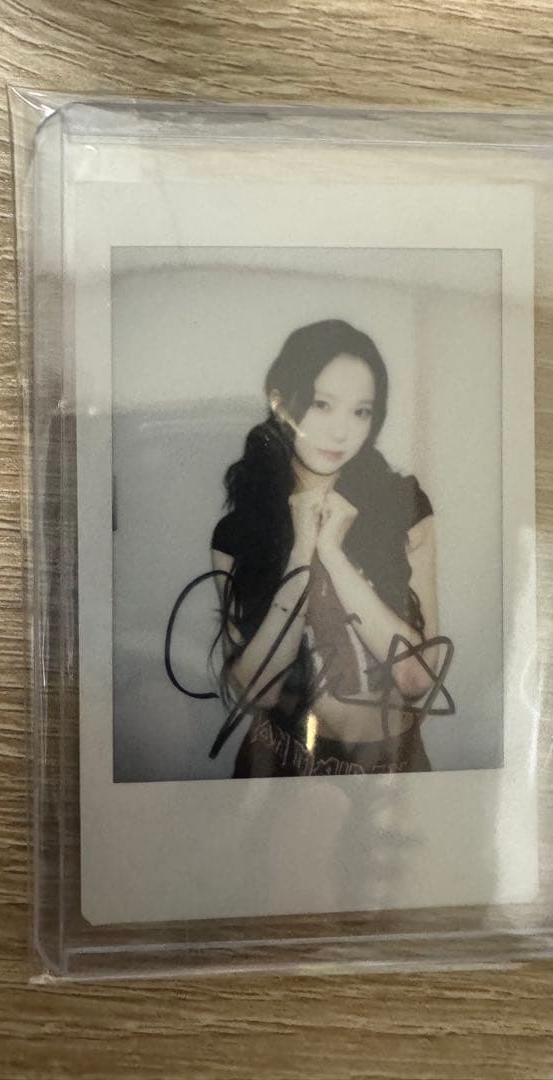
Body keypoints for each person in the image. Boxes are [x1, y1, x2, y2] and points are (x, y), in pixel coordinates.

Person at [210, 319, 449, 778]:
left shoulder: (404, 507)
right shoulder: (238, 533)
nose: (342, 432)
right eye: (322, 405)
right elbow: (257, 690)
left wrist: (334, 557)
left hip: (394, 769)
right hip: (283, 767)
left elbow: (416, 678)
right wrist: (302, 551)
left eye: (361, 412)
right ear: (281, 401)